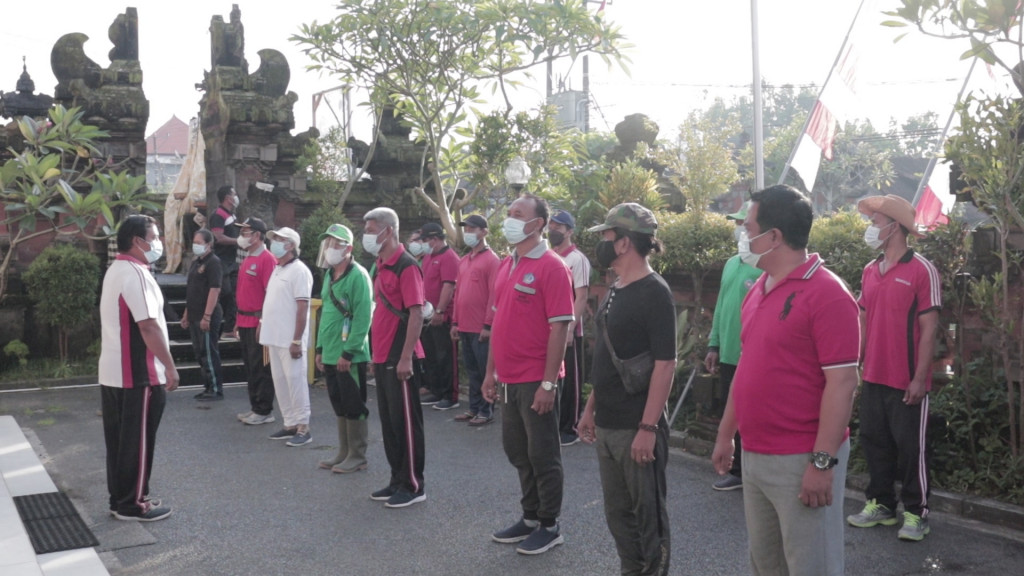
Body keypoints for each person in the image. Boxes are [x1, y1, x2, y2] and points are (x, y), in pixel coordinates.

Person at [712, 185, 860, 576]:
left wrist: (822, 462)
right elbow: (747, 367)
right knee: (766, 564)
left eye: (749, 228)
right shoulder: (758, 288)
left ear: (774, 236)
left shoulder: (829, 294)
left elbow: (843, 383)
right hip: (756, 454)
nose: (744, 236)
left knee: (811, 566)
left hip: (801, 457)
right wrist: (727, 433)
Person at [577, 203, 677, 576]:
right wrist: (590, 410)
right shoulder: (616, 288)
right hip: (609, 424)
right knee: (619, 517)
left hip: (638, 428)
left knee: (649, 521)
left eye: (606, 236)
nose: (601, 243)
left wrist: (648, 429)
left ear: (622, 244)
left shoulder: (655, 293)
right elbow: (608, 358)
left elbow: (666, 364)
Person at [482, 193, 574, 555]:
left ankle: (550, 524)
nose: (509, 219)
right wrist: (490, 374)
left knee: (543, 453)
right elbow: (497, 324)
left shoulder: (552, 266)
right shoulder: (507, 264)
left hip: (537, 378)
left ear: (537, 224)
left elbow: (561, 328)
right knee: (517, 450)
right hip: (508, 377)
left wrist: (548, 384)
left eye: (517, 214)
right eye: (508, 213)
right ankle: (530, 516)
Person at [847, 194, 941, 542]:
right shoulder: (870, 270)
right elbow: (862, 317)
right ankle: (881, 504)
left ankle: (917, 513)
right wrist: (856, 365)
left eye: (876, 222)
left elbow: (930, 328)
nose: (871, 228)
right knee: (874, 442)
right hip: (873, 375)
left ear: (895, 227)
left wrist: (920, 378)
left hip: (907, 380)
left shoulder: (922, 270)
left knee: (912, 449)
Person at [98, 215, 179, 522]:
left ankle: (120, 498)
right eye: (154, 237)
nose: (157, 243)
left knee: (120, 442)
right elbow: (148, 326)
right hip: (138, 373)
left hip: (116, 371)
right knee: (138, 441)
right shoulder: (135, 273)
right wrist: (170, 367)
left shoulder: (116, 269)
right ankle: (134, 503)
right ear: (137, 241)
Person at [363, 207, 428, 508]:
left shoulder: (406, 265)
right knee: (389, 422)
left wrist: (405, 358)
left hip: (400, 353)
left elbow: (416, 312)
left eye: (371, 228)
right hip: (383, 351)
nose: (366, 234)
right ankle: (396, 479)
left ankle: (414, 484)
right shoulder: (380, 264)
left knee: (406, 422)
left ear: (388, 230)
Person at [704, 202, 762, 491]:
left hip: (752, 356)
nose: (740, 228)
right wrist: (713, 344)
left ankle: (751, 471)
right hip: (728, 352)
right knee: (732, 409)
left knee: (752, 414)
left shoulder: (763, 266)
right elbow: (721, 308)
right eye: (738, 223)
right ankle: (738, 470)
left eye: (745, 223)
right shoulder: (731, 263)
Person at [314, 224, 374, 474]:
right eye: (327, 243)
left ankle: (357, 454)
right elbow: (326, 312)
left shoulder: (358, 275)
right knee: (339, 403)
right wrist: (319, 348)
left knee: (353, 404)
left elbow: (363, 317)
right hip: (329, 352)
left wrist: (348, 352)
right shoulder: (329, 275)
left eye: (335, 243)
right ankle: (344, 450)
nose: (329, 248)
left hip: (348, 355)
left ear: (348, 248)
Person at [259, 227, 314, 447]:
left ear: (291, 245)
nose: (275, 243)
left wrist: (296, 340)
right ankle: (290, 422)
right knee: (281, 381)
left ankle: (303, 426)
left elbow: (302, 307)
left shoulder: (300, 271)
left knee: (295, 380)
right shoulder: (277, 269)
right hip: (275, 336)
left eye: (280, 240)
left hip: (290, 338)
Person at [450, 214, 500, 426]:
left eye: (473, 229)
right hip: (465, 325)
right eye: (467, 229)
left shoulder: (492, 260)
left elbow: (494, 296)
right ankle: (473, 407)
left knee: (483, 370)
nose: (469, 233)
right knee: (471, 370)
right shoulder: (464, 260)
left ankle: (486, 409)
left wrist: (488, 325)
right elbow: (458, 292)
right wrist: (455, 322)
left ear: (484, 232)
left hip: (481, 327)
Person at [549, 209, 591, 446]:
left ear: (570, 231)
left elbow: (582, 297)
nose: (554, 230)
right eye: (552, 225)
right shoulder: (550, 256)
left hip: (569, 330)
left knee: (571, 380)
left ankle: (570, 427)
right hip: (550, 329)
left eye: (559, 226)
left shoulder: (578, 259)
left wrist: (569, 328)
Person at [234, 218, 278, 426]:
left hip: (257, 321)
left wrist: (264, 321)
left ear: (257, 236)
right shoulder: (248, 258)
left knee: (260, 366)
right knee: (250, 367)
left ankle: (264, 409)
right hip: (243, 319)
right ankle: (255, 406)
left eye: (246, 232)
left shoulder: (267, 259)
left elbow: (271, 293)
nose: (242, 236)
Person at [419, 221, 460, 409]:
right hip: (427, 314)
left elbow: (449, 286)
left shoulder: (449, 257)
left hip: (442, 315)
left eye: (425, 240)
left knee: (445, 356)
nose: (423, 244)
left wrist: (440, 311)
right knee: (431, 355)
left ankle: (449, 395)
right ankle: (435, 390)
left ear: (435, 239)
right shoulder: (428, 258)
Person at [180, 229, 225, 401]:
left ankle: (215, 388)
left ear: (209, 244)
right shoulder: (195, 262)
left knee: (208, 352)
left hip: (207, 314)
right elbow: (191, 290)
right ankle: (207, 386)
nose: (196, 245)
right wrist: (186, 314)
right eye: (195, 242)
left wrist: (207, 316)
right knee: (199, 353)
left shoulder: (213, 262)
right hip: (194, 313)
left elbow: (215, 289)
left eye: (199, 243)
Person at [209, 185, 241, 338]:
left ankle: (229, 329)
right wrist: (238, 241)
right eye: (234, 194)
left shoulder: (231, 215)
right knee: (226, 293)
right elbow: (219, 237)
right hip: (221, 261)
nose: (236, 197)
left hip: (232, 260)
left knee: (234, 294)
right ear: (228, 197)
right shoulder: (218, 215)